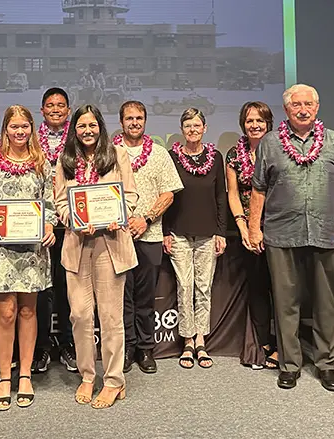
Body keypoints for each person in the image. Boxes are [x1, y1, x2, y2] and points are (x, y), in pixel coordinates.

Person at [248, 83, 334, 391]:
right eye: (296, 104)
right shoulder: (270, 143)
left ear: (317, 107)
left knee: (326, 303)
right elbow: (258, 189)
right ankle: (289, 365)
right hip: (281, 234)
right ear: (286, 110)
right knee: (286, 303)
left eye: (308, 104)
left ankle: (326, 365)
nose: (302, 109)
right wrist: (254, 228)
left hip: (325, 234)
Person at [55, 104, 138, 408]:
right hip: (77, 244)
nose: (87, 131)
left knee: (111, 316)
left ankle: (114, 380)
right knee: (79, 314)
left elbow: (129, 195)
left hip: (111, 243)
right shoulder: (64, 161)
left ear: (100, 127)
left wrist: (121, 215)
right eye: (81, 126)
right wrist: (74, 219)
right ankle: (88, 375)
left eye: (92, 125)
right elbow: (60, 202)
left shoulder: (117, 155)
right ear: (73, 130)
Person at [0, 105, 57, 410]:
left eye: (25, 127)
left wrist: (48, 225)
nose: (20, 132)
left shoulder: (41, 164)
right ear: (5, 130)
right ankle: (4, 376)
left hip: (32, 250)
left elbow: (48, 203)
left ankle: (25, 374)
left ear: (31, 129)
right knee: (5, 313)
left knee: (26, 312)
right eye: (14, 127)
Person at [115, 100, 182, 374]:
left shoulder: (159, 154)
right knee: (122, 297)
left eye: (139, 118)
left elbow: (169, 193)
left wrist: (146, 219)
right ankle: (127, 348)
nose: (134, 122)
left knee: (145, 298)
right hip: (117, 236)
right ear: (121, 122)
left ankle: (145, 349)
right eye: (129, 118)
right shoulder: (110, 153)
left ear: (145, 121)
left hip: (150, 235)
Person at [162, 107, 227, 370]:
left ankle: (201, 339)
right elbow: (165, 194)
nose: (192, 130)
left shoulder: (216, 157)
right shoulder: (172, 157)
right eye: (187, 126)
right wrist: (165, 231)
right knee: (185, 286)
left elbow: (221, 197)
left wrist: (221, 232)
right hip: (178, 232)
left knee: (204, 287)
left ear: (205, 129)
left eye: (196, 126)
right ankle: (187, 340)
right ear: (182, 129)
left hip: (208, 233)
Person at [225, 101, 278, 369]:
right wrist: (244, 227)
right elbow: (233, 193)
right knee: (257, 288)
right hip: (249, 232)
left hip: (280, 229)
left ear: (268, 122)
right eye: (249, 121)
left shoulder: (281, 149)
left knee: (282, 289)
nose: (254, 125)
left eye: (260, 120)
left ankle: (283, 345)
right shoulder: (234, 154)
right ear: (242, 125)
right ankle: (264, 342)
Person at [33, 87, 77, 373]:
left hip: (70, 225)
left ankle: (68, 344)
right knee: (40, 290)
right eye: (50, 105)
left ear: (68, 110)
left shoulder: (78, 139)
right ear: (42, 110)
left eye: (61, 105)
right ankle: (40, 347)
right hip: (37, 224)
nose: (56, 109)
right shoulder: (31, 140)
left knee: (67, 287)